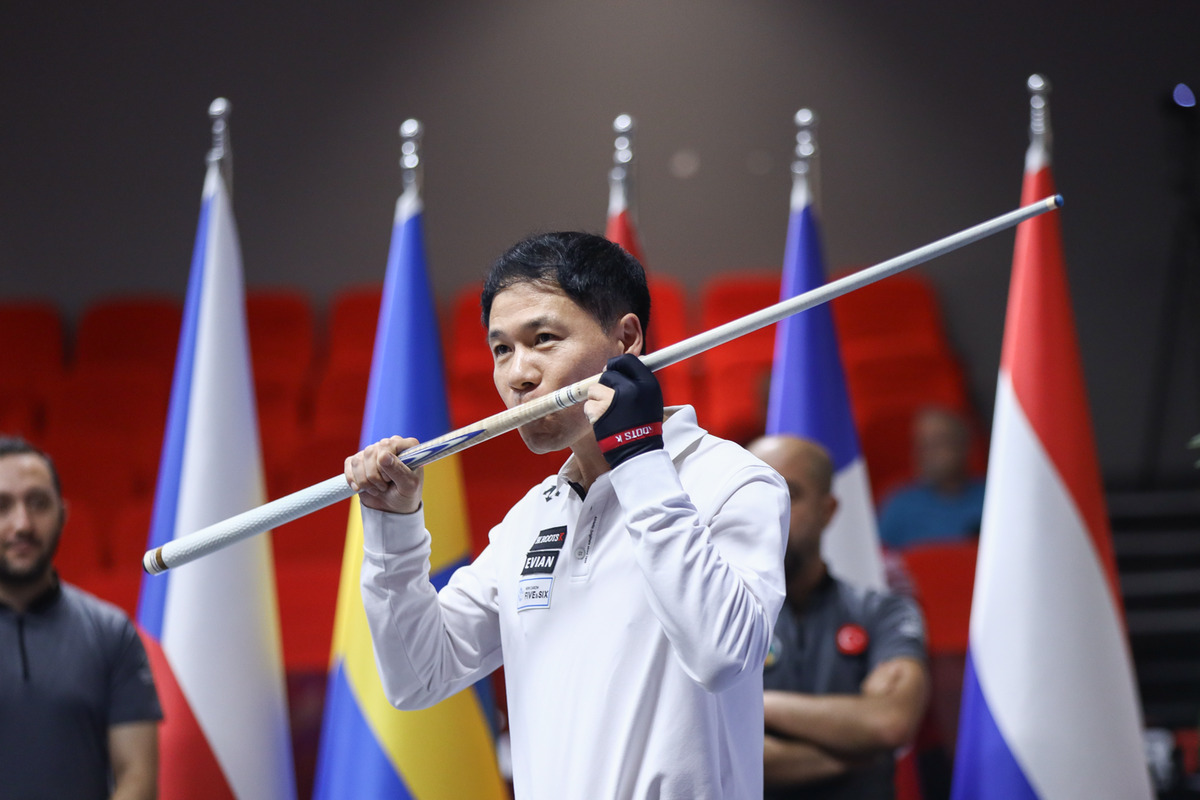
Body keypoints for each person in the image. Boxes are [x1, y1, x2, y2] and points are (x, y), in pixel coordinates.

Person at [346, 232, 790, 799]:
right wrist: (394, 524)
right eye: (501, 349)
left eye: (544, 340)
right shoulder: (530, 519)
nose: (518, 375)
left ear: (626, 339)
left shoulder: (734, 481)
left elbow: (724, 656)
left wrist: (638, 459)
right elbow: (418, 676)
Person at [747, 434, 929, 800]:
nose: (770, 511)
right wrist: (856, 748)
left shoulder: (882, 612)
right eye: (755, 494)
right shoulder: (717, 616)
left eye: (789, 493)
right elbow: (720, 752)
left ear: (828, 510)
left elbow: (889, 722)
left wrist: (756, 705)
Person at [0, 436, 161, 800]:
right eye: (2, 506)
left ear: (63, 514)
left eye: (38, 503)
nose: (22, 524)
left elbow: (137, 776)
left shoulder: (112, 634)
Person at [877, 406, 986, 550]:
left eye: (938, 442)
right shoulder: (899, 507)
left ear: (963, 445)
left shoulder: (992, 498)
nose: (929, 453)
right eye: (923, 445)